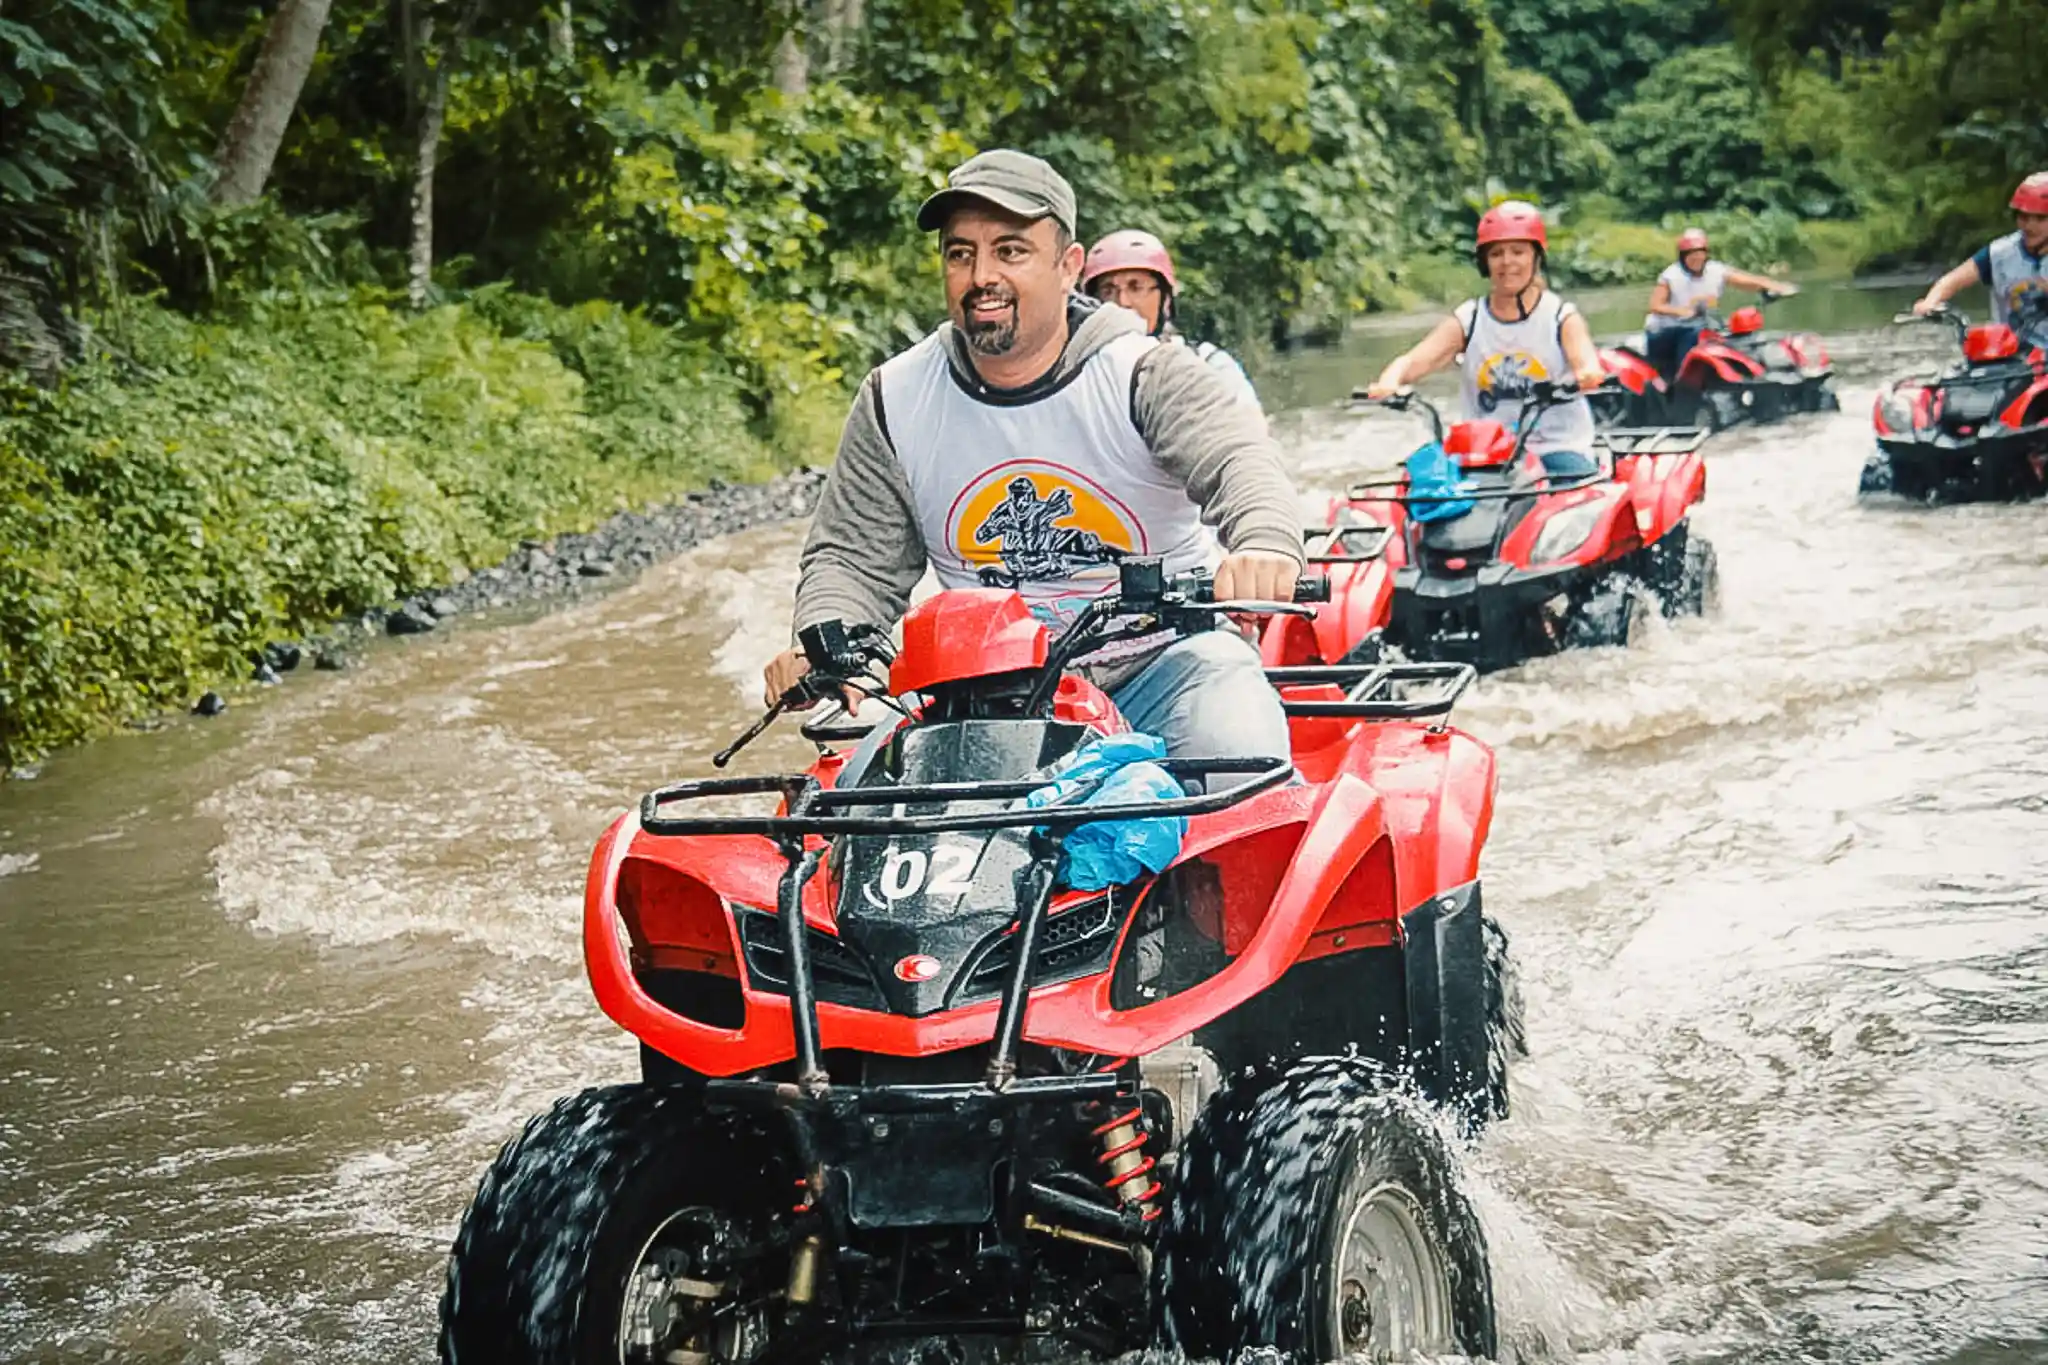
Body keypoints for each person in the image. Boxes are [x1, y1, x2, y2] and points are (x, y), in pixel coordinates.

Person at [761, 149, 1305, 770]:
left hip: (1167, 667)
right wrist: (831, 643)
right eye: (960, 253)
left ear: (1068, 266)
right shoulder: (895, 395)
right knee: (852, 811)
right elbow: (853, 556)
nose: (981, 275)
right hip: (979, 691)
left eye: (1011, 251)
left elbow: (1241, 463)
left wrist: (1264, 544)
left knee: (1242, 757)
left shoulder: (1148, 372)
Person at [1363, 200, 1605, 478]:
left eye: (1518, 252)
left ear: (1536, 258)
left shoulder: (1561, 316)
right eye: (1496, 253)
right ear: (1485, 262)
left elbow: (1585, 361)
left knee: (1576, 491)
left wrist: (1587, 375)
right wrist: (1389, 382)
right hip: (1485, 453)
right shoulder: (1469, 318)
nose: (1507, 262)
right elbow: (1414, 360)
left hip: (1555, 447)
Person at [1080, 230, 1263, 411]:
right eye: (1107, 290)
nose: (1122, 302)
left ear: (1165, 300)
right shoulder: (1081, 376)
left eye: (1136, 287)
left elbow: (1250, 432)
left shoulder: (1210, 364)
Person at [1913, 172, 2048, 352]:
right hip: (2010, 354)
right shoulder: (2001, 253)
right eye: (2023, 217)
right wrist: (1930, 301)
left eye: (2040, 219)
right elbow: (1952, 280)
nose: (2029, 226)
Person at [1642, 227, 1798, 379]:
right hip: (1665, 329)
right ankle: (1684, 380)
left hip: (1704, 324)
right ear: (1683, 257)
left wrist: (1775, 287)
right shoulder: (1671, 276)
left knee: (1735, 334)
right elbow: (1655, 306)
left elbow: (1747, 281)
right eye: (1691, 254)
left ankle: (1748, 374)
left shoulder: (1715, 271)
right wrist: (1682, 312)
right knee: (1694, 333)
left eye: (1700, 253)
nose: (1696, 258)